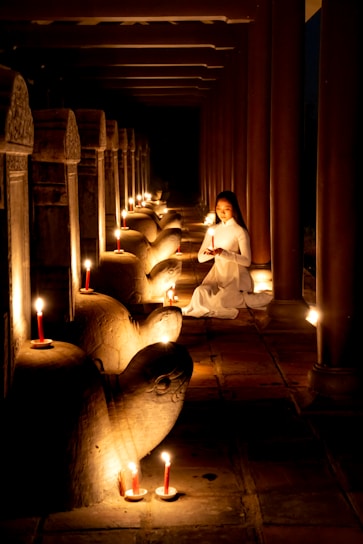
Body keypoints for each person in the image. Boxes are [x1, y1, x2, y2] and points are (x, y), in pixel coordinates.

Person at [182, 190, 272, 319]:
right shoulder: (214, 230)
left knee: (223, 300)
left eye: (227, 209)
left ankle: (254, 297)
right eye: (218, 208)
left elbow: (247, 261)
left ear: (234, 209)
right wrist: (211, 253)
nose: (222, 212)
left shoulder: (240, 231)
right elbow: (201, 258)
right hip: (217, 275)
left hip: (235, 278)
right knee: (199, 292)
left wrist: (223, 253)